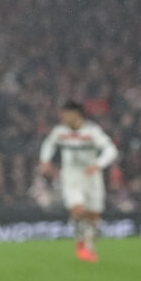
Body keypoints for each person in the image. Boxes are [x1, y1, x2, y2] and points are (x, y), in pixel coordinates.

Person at [39, 101, 119, 263]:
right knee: (78, 210)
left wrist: (98, 164)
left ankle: (88, 245)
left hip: (92, 177)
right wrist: (45, 161)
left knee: (94, 216)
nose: (62, 117)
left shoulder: (92, 131)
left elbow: (111, 150)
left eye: (66, 113)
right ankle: (81, 245)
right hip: (71, 177)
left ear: (77, 114)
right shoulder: (60, 131)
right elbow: (48, 144)